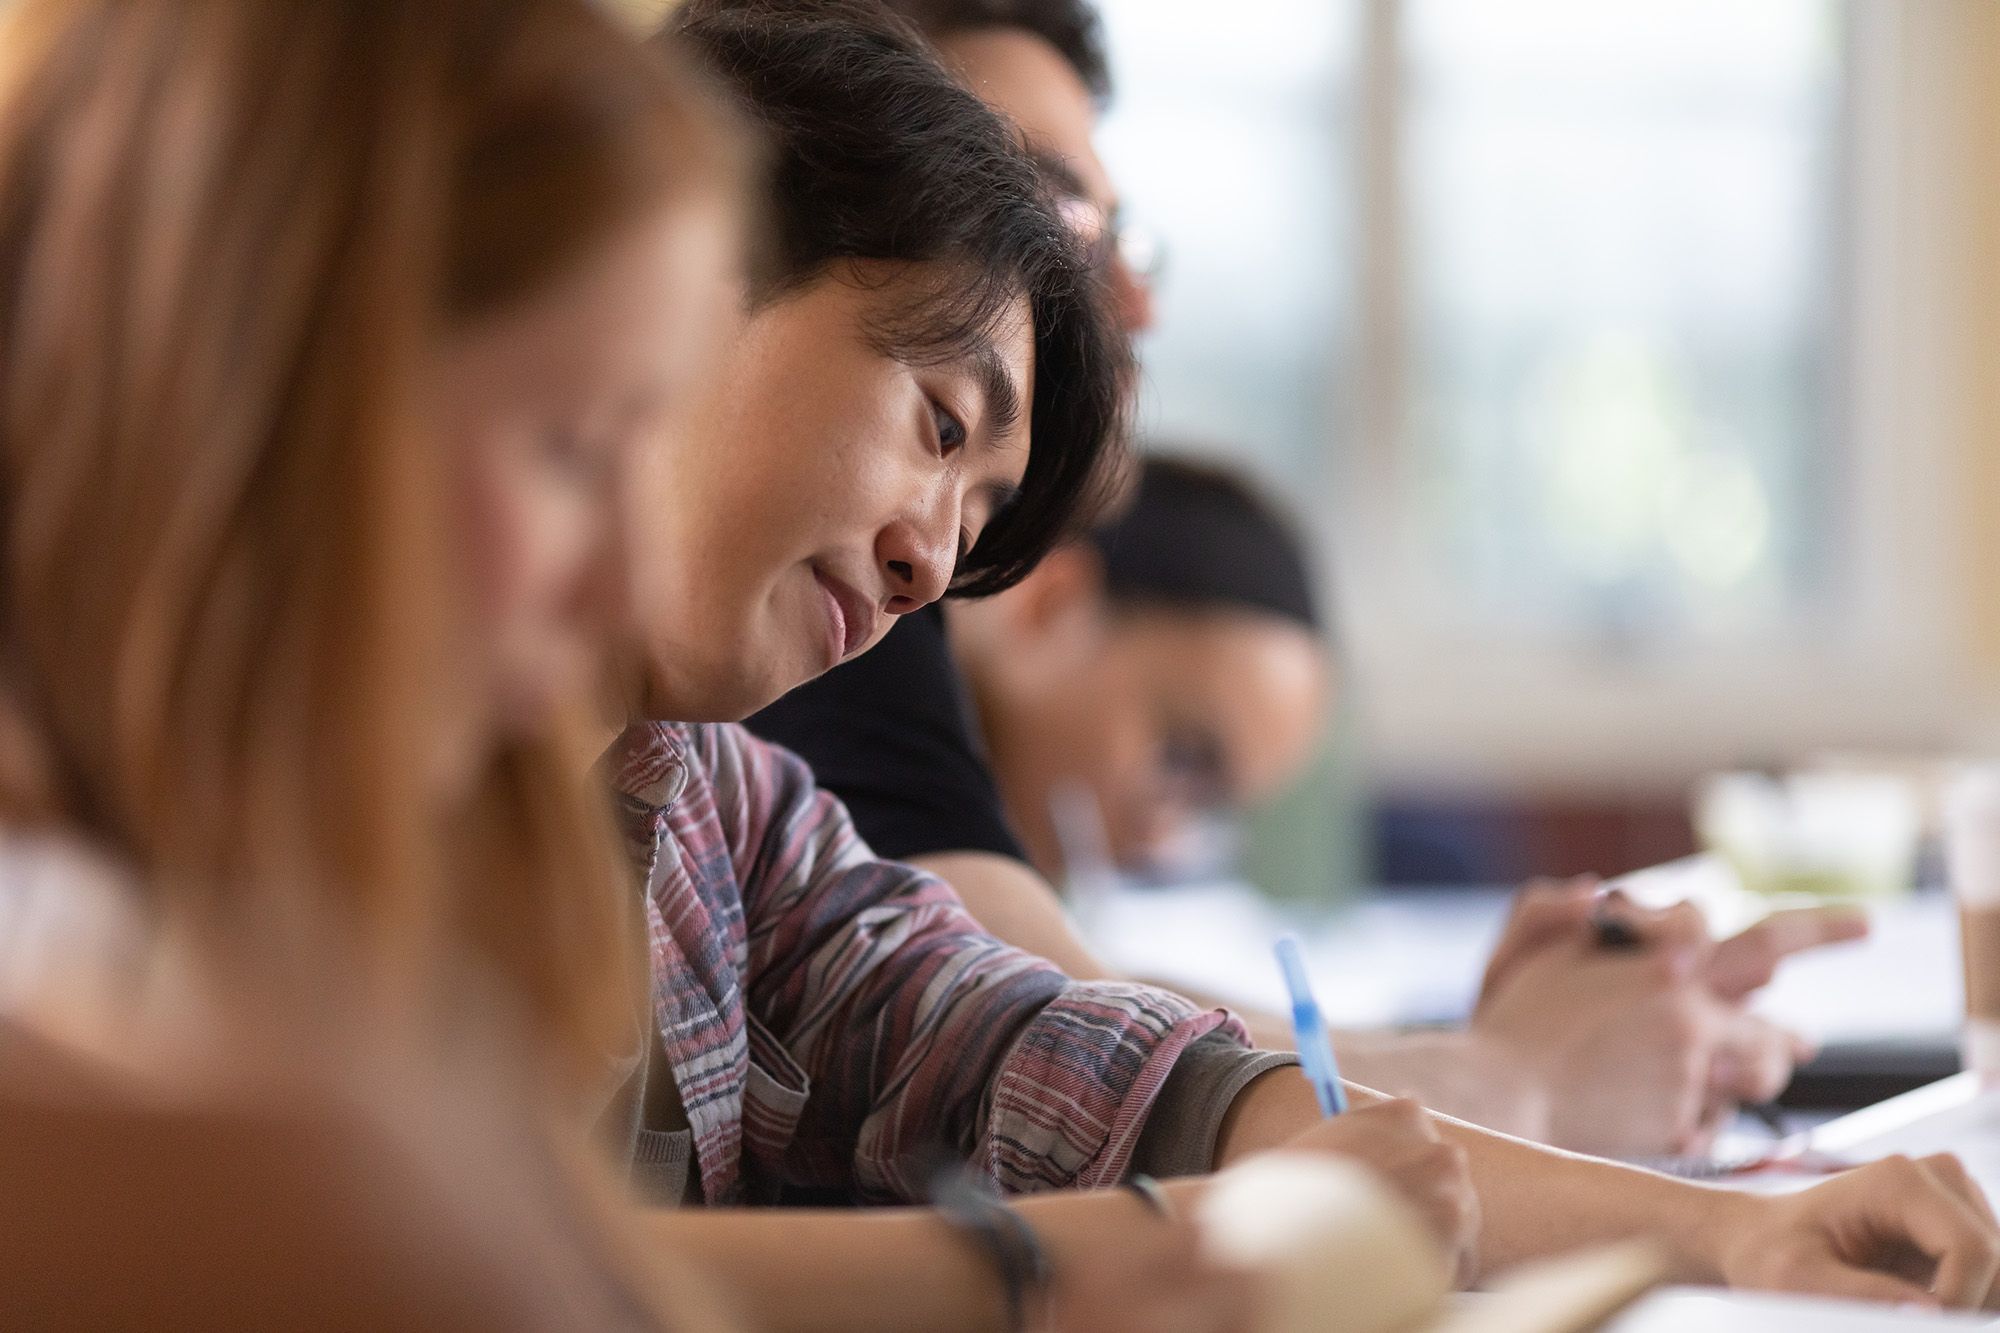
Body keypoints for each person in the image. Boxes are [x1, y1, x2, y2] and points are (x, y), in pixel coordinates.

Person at [613, 0, 2000, 1323]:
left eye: (977, 519)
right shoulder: (409, 755)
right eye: (935, 423)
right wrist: (1064, 1268)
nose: (930, 567)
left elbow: (1082, 1062)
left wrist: (1735, 1232)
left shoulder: (733, 821)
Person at [0, 0, 746, 1323]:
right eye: (574, 444)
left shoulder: (250, 948)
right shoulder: (183, 1118)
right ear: (263, 406)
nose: (631, 584)